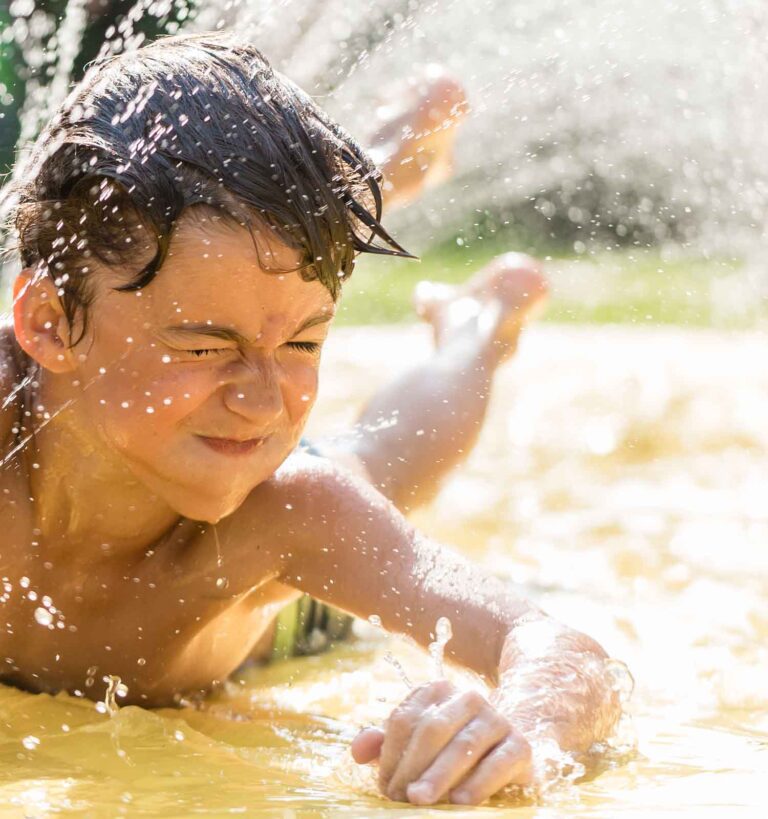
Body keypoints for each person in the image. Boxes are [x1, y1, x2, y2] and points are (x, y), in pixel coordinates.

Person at [0, 33, 621, 807]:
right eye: (205, 346)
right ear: (50, 324)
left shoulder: (292, 512)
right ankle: (392, 158)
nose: (264, 401)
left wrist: (522, 731)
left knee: (390, 456)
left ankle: (478, 325)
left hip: (278, 616)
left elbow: (567, 653)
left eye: (304, 341)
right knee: (228, 233)